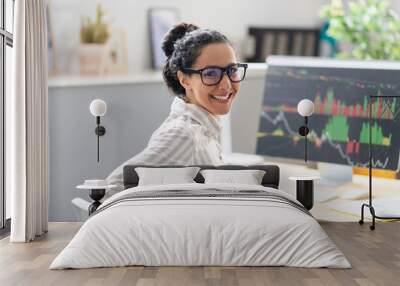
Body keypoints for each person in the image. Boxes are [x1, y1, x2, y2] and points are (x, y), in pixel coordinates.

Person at [106, 22, 248, 192]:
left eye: (232, 70)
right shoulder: (184, 135)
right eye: (211, 73)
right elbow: (110, 188)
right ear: (184, 79)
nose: (226, 84)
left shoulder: (204, 129)